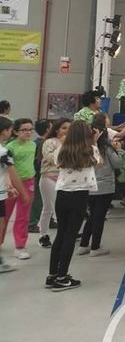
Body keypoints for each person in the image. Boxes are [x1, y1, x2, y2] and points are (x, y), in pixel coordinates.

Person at [47, 120, 101, 291]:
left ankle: (53, 274)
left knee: (61, 234)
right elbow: (98, 163)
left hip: (62, 193)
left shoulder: (62, 149)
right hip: (79, 195)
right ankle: (62, 277)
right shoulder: (90, 150)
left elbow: (56, 162)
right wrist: (94, 141)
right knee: (70, 236)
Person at [78, 116, 123, 257]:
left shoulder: (85, 147)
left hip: (90, 185)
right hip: (105, 187)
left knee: (92, 216)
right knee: (99, 217)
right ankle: (95, 247)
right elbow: (117, 164)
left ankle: (84, 244)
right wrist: (120, 151)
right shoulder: (105, 148)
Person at [3, 119, 37, 260]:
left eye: (30, 129)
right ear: (16, 131)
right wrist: (10, 184)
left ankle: (20, 246)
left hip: (28, 182)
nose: (28, 132)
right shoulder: (9, 147)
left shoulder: (33, 145)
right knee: (4, 215)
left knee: (23, 216)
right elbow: (6, 169)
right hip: (11, 183)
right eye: (24, 130)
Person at [0, 117, 29, 273]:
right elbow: (13, 173)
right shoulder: (5, 152)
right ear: (5, 131)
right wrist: (23, 192)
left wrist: (8, 186)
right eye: (10, 129)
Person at [37, 118, 70, 248]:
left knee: (53, 208)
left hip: (65, 179)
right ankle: (45, 235)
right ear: (56, 129)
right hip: (49, 178)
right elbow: (53, 159)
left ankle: (54, 234)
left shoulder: (72, 143)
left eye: (69, 128)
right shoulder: (49, 142)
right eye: (64, 128)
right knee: (50, 208)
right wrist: (61, 144)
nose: (67, 131)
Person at [29, 118, 50, 234]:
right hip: (40, 174)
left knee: (46, 200)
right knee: (38, 200)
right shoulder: (42, 143)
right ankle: (32, 223)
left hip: (41, 174)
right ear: (48, 129)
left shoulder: (36, 142)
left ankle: (49, 219)